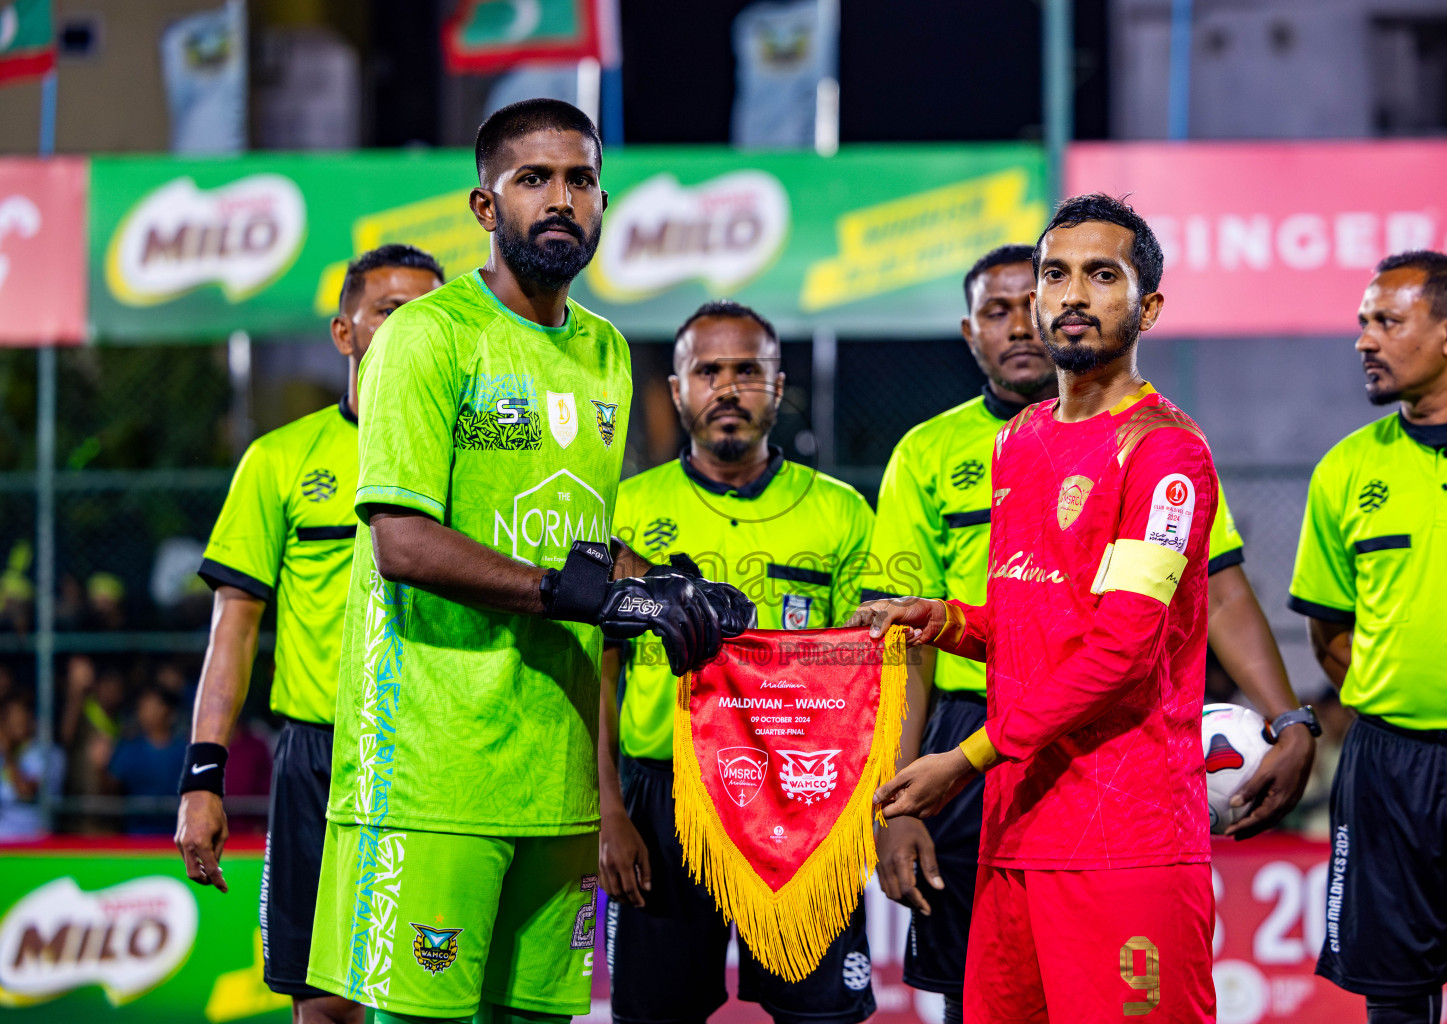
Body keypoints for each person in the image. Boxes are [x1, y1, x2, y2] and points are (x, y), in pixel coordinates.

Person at [304, 99, 746, 1024]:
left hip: (557, 783)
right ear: (484, 205)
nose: (559, 199)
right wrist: (564, 592)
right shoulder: (427, 337)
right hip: (432, 772)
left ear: (601, 201)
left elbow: (580, 539)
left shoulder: (608, 353)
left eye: (579, 179)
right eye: (533, 179)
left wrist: (667, 588)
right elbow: (401, 542)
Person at [864, 244, 1317, 1020]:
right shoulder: (1020, 441)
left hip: (1120, 837)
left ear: (1148, 309)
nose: (1072, 294)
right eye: (1056, 275)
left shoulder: (1166, 450)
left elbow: (1121, 648)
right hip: (1016, 825)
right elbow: (1039, 622)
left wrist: (964, 759)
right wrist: (943, 620)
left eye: (1102, 275)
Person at [173, 241, 444, 1024]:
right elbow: (233, 632)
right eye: (391, 311)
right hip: (319, 757)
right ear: (344, 332)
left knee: (436, 993)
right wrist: (202, 778)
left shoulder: (470, 463)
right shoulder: (279, 461)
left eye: (428, 316)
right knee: (323, 1004)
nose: (409, 329)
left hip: (439, 755)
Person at [600, 301, 878, 1024]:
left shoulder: (843, 513)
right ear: (676, 389)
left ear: (779, 386)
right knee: (657, 1015)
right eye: (708, 371)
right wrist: (607, 810)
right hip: (664, 799)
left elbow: (867, 676)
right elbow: (598, 673)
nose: (727, 388)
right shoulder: (624, 511)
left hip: (802, 800)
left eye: (747, 371)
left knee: (821, 1016)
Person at [1288, 251, 1447, 1024]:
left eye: (1387, 322)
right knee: (1394, 996)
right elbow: (1329, 628)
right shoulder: (1343, 470)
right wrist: (1394, 695)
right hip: (1388, 766)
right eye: (1363, 322)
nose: (1365, 339)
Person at [109, 685, 185, 834]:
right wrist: (100, 768)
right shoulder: (129, 749)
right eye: (141, 707)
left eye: (149, 706)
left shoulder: (185, 751)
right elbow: (112, 788)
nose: (143, 712)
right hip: (138, 835)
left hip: (177, 834)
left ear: (165, 710)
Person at [0, 694, 64, 840]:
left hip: (30, 840)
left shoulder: (45, 753)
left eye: (19, 716)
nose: (15, 722)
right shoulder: (7, 753)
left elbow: (25, 792)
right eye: (10, 717)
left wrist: (9, 756)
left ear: (30, 719)